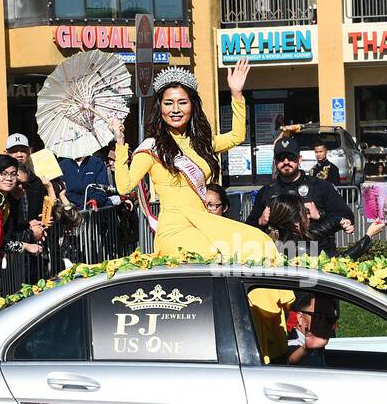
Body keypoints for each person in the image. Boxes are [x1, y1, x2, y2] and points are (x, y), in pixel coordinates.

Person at [114, 61, 278, 262]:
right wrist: (120, 145)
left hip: (204, 223)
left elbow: (236, 136)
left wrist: (236, 94)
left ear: (192, 105)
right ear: (160, 108)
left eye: (182, 102)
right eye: (168, 103)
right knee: (214, 254)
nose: (175, 109)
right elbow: (124, 187)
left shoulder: (202, 143)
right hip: (174, 229)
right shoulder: (151, 148)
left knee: (259, 242)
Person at [248, 136, 356, 256]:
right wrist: (260, 221)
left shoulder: (320, 186)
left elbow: (346, 215)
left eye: (291, 157)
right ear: (275, 162)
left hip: (319, 256)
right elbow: (248, 228)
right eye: (280, 158)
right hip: (280, 257)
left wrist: (319, 216)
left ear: (299, 159)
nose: (286, 162)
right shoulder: (267, 191)